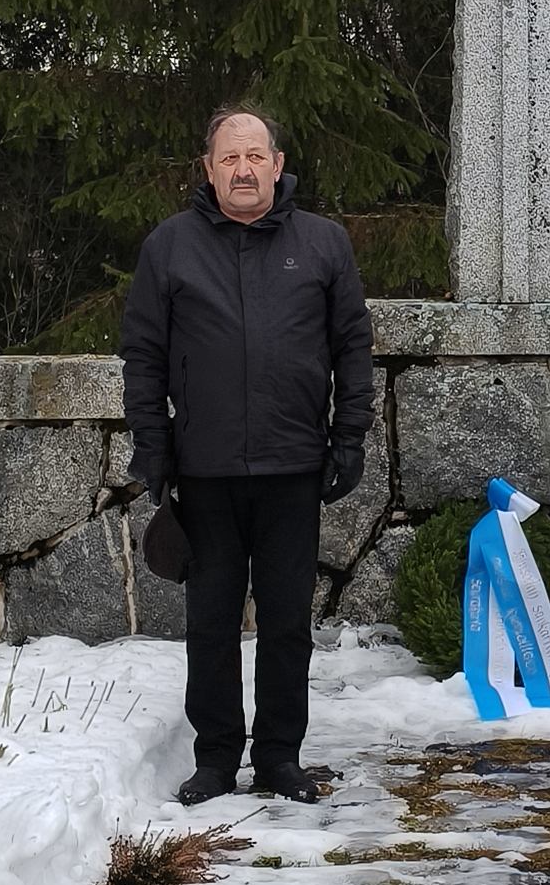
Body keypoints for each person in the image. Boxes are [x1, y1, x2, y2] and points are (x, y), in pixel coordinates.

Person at [122, 105, 372, 807]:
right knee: (210, 622)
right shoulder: (168, 247)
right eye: (229, 158)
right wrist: (154, 450)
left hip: (294, 467)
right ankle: (215, 758)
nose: (243, 169)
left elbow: (353, 347)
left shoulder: (323, 244)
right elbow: (142, 357)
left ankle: (281, 758)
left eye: (255, 156)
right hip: (204, 472)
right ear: (208, 169)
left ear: (277, 166)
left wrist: (348, 436)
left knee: (288, 622)